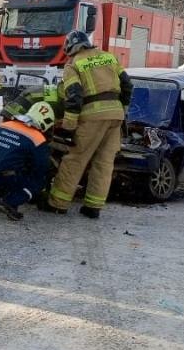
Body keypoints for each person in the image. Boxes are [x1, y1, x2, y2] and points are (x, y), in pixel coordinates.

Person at [48, 30, 133, 219]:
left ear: (69, 48)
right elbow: (127, 85)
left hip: (92, 116)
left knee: (75, 160)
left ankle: (58, 204)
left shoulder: (73, 64)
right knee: (104, 163)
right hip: (115, 116)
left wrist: (69, 126)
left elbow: (74, 96)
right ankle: (93, 207)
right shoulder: (109, 57)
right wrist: (122, 110)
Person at [0, 102, 54, 221]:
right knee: (38, 180)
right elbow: (41, 166)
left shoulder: (2, 125)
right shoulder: (37, 138)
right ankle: (11, 202)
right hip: (7, 178)